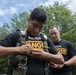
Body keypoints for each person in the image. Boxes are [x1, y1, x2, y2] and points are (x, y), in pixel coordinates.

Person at [0, 8, 64, 75]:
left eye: (40, 27)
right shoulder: (17, 35)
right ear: (28, 20)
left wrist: (45, 55)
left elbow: (61, 60)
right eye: (34, 25)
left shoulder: (44, 39)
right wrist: (18, 49)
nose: (36, 30)